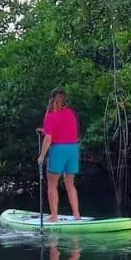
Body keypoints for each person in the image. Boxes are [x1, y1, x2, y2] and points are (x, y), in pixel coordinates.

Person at [37, 88, 82, 222]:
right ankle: (77, 215)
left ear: (51, 99)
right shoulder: (71, 113)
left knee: (52, 184)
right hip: (73, 149)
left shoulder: (50, 116)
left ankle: (54, 215)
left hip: (59, 149)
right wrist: (44, 130)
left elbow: (49, 138)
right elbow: (65, 129)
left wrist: (42, 156)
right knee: (70, 183)